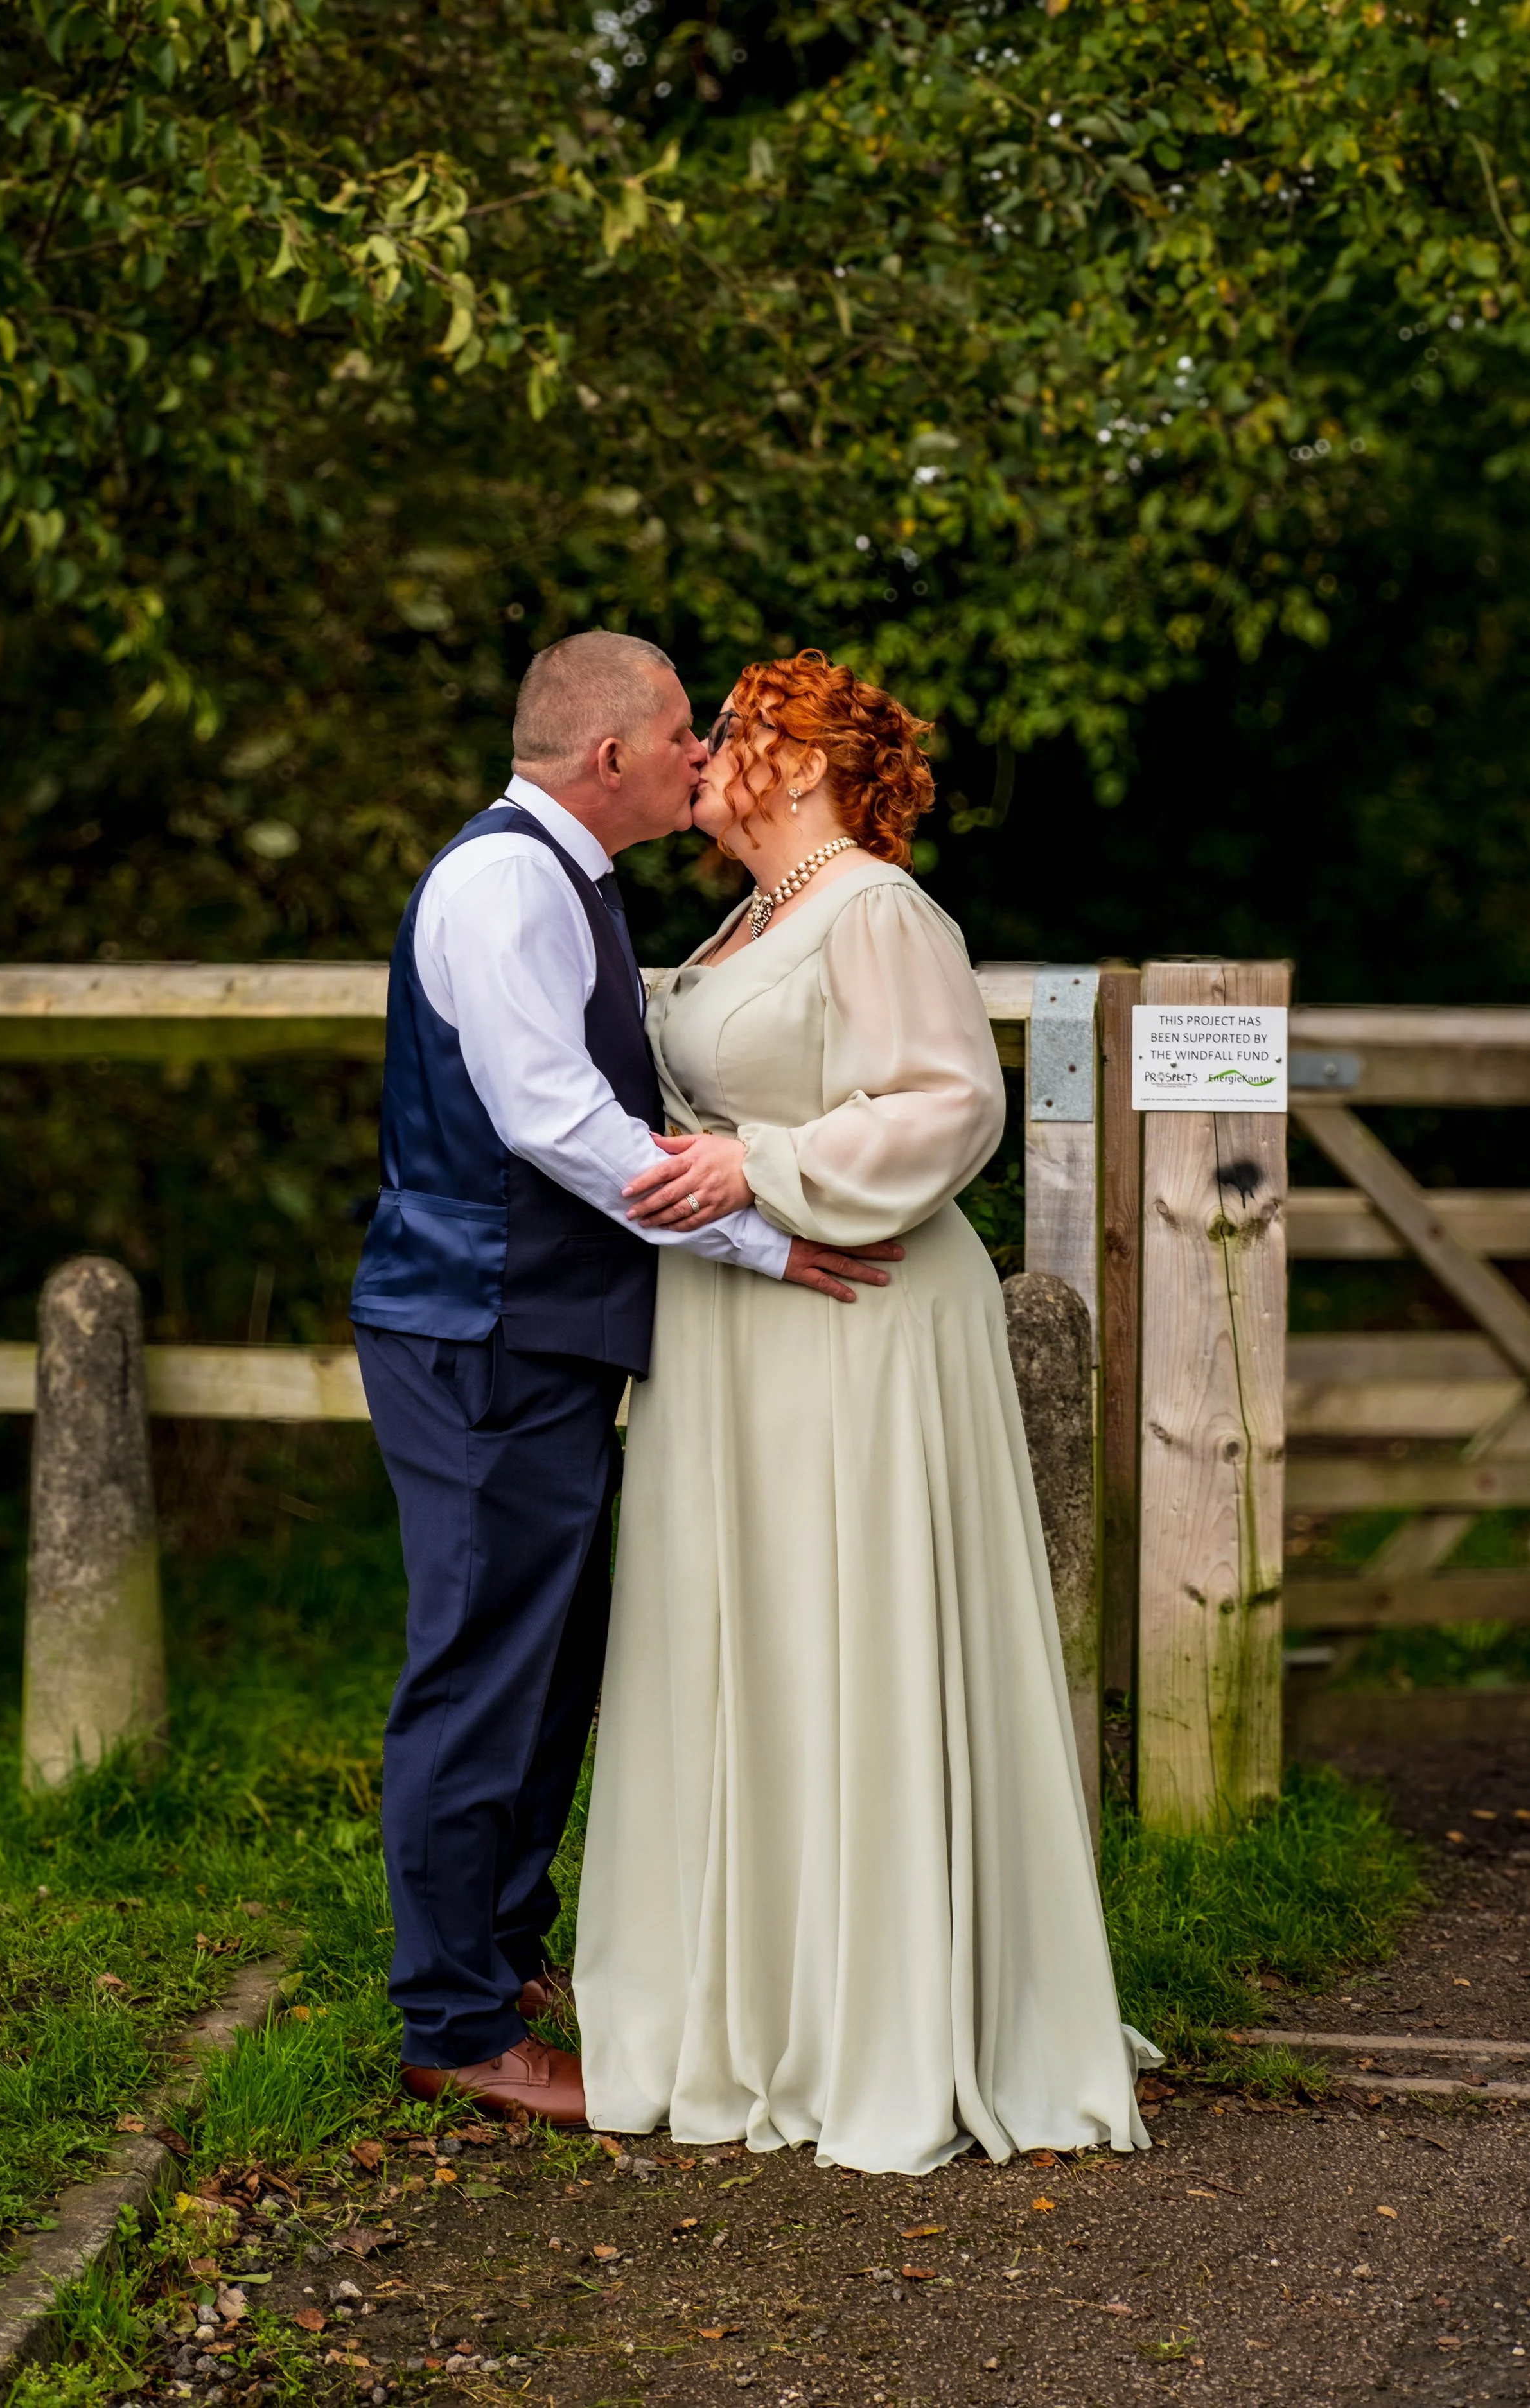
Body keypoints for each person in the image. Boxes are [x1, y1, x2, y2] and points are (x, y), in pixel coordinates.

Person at [574, 648, 1159, 2174]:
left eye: (740, 732)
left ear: (814, 762)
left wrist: (757, 1171)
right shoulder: (745, 916)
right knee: (742, 1631)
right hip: (732, 1316)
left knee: (850, 1628)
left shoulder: (879, 908)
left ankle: (884, 2011)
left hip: (859, 1317)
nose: (704, 751)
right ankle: (747, 1996)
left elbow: (945, 1100)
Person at [348, 631, 900, 2126]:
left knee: (544, 1661)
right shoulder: (506, 882)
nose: (698, 760)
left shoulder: (565, 878)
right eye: (679, 738)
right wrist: (763, 1244)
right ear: (610, 760)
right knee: (477, 1672)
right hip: (477, 1329)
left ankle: (499, 1958)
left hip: (531, 1325)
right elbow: (556, 1124)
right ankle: (454, 2024)